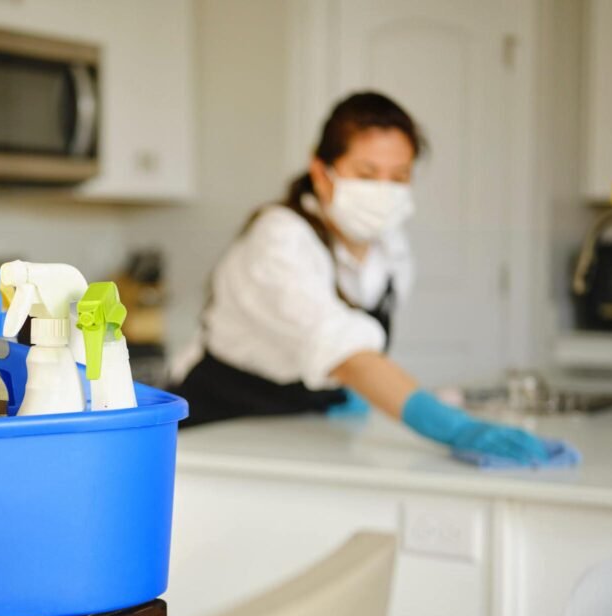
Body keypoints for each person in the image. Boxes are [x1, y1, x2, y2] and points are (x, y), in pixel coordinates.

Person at [172, 91, 551, 464]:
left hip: (307, 431)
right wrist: (454, 427)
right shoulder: (279, 239)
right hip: (221, 428)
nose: (384, 191)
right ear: (321, 174)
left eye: (399, 176)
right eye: (367, 174)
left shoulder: (391, 248)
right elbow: (345, 353)